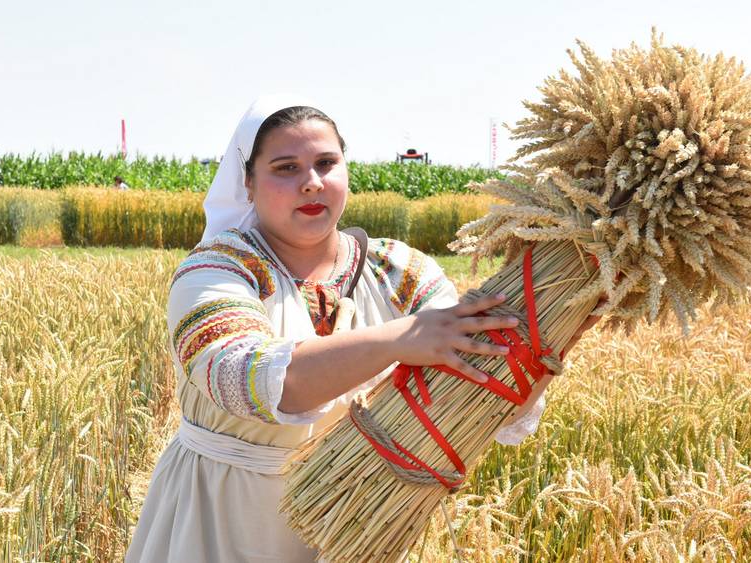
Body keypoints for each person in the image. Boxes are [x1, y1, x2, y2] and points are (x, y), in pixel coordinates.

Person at [126, 96, 573, 562]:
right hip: (222, 519)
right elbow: (255, 381)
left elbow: (485, 378)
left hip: (359, 521)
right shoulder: (217, 270)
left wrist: (564, 305)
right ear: (248, 182)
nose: (312, 183)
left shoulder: (398, 271)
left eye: (326, 163)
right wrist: (402, 339)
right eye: (286, 168)